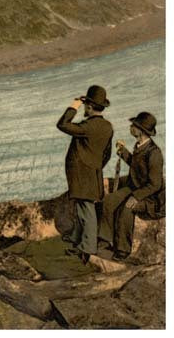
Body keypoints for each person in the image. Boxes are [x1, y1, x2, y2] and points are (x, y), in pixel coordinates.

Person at [56, 85, 113, 263]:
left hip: (82, 174)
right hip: (93, 172)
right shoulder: (107, 126)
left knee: (86, 211)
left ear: (89, 106)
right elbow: (107, 153)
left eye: (85, 105)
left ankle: (87, 248)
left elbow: (62, 124)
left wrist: (74, 105)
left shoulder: (87, 126)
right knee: (83, 208)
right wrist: (95, 166)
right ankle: (76, 238)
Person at [97, 112, 165, 260]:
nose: (131, 127)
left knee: (126, 208)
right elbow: (136, 167)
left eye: (134, 125)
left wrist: (136, 197)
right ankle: (104, 240)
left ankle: (122, 250)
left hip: (151, 198)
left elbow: (155, 184)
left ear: (140, 130)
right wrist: (123, 152)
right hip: (135, 188)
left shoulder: (154, 153)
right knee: (109, 200)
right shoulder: (140, 146)